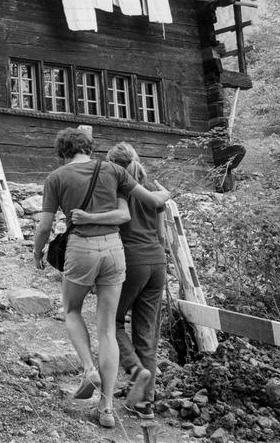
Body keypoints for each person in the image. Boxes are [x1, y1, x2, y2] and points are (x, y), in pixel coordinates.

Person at [33, 128, 170, 429]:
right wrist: (167, 193)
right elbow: (149, 201)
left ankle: (88, 369)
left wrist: (37, 251)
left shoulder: (56, 178)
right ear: (89, 148)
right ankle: (107, 408)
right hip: (115, 249)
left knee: (71, 310)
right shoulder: (112, 170)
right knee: (109, 327)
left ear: (62, 152)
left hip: (82, 247)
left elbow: (44, 226)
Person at [106, 141, 170, 420]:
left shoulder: (117, 194)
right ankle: (145, 404)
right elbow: (162, 237)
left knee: (111, 321)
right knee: (147, 335)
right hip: (158, 263)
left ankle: (135, 369)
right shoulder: (154, 195)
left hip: (132, 261)